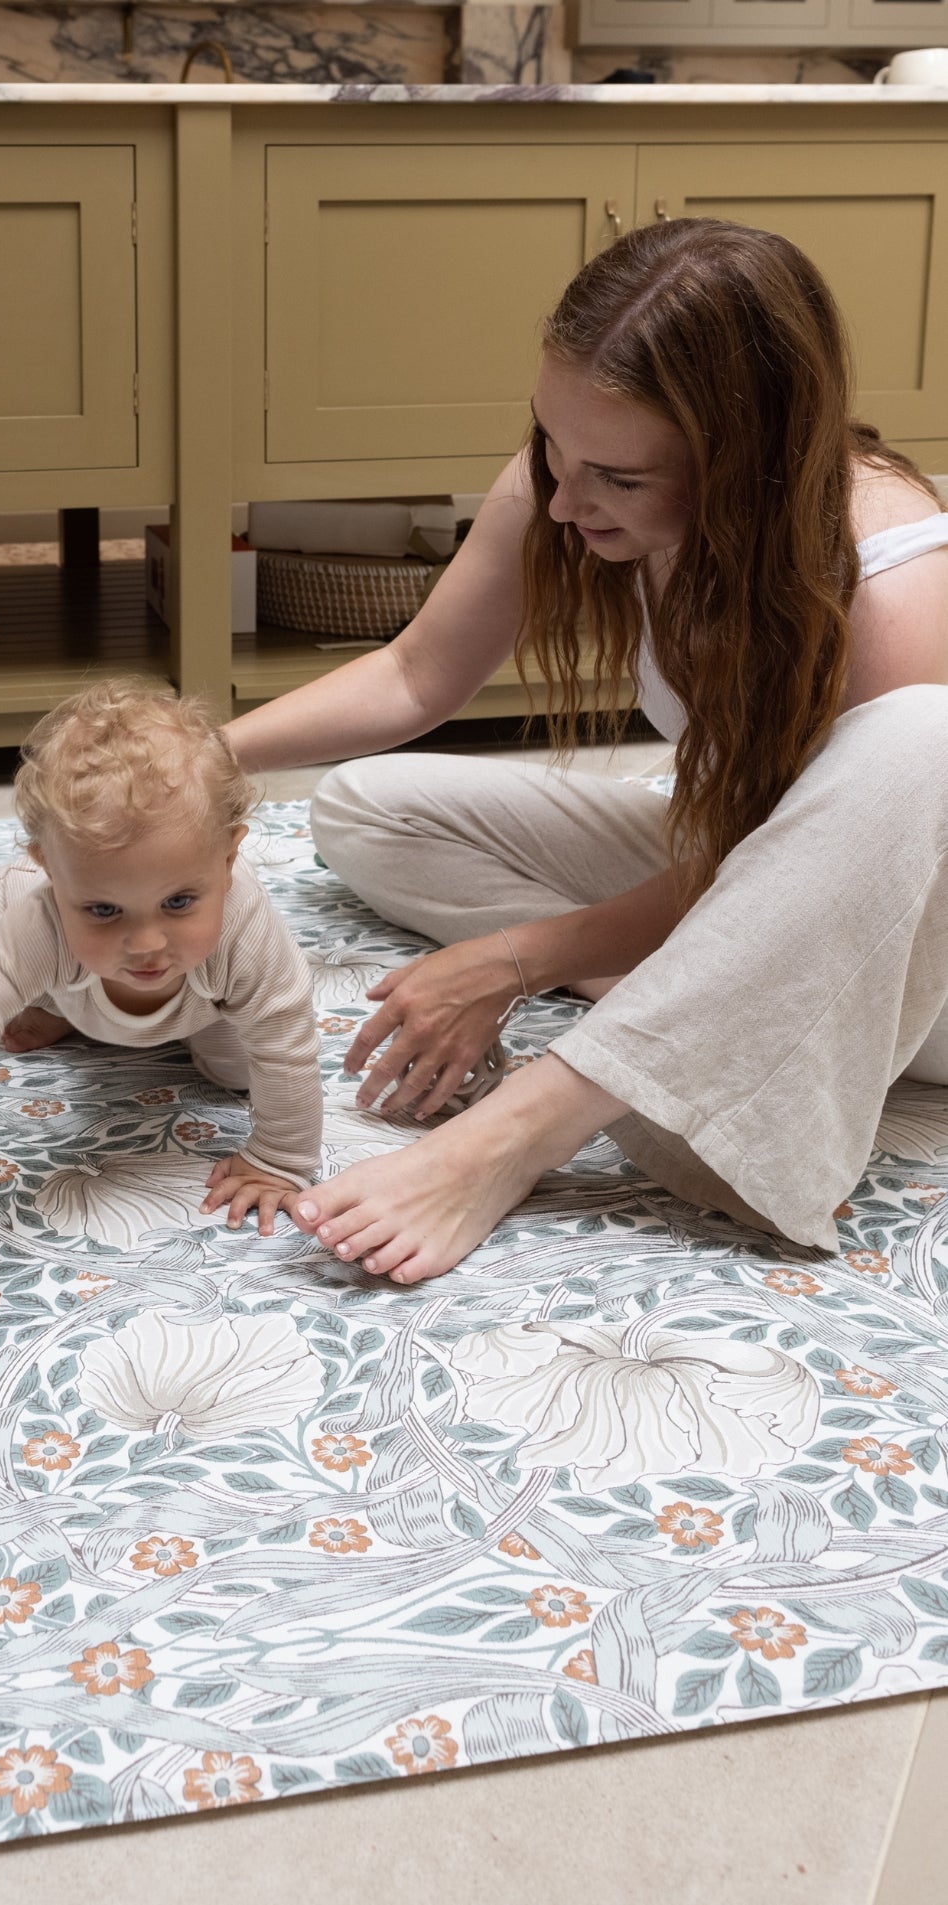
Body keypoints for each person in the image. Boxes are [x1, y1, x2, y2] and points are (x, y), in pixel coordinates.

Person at [226, 217, 948, 1285]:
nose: (565, 501)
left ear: (747, 462)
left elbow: (818, 873)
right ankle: (683, 1024)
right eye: (552, 447)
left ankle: (523, 1128)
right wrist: (188, 762)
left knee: (927, 734)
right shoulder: (573, 470)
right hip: (755, 879)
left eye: (615, 476)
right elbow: (418, 675)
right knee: (371, 809)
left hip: (909, 950)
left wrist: (526, 958)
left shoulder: (895, 574)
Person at [0, 679, 323, 1236]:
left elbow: (287, 1043)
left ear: (228, 860)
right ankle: (56, 1001)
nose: (147, 943)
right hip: (65, 957)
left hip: (208, 1002)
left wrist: (280, 1159)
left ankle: (150, 1004)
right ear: (50, 869)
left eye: (178, 902)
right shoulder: (42, 919)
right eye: (105, 909)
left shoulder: (245, 930)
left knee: (243, 1072)